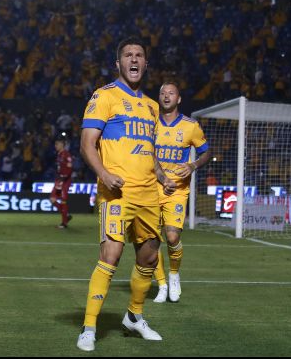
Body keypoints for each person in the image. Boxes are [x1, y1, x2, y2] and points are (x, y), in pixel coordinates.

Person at [76, 37, 176, 352]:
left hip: (149, 193)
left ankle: (134, 315)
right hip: (117, 193)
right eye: (128, 55)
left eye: (139, 55)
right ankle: (89, 327)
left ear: (146, 64)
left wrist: (161, 175)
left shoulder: (151, 105)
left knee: (148, 255)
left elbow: (148, 150)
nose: (134, 60)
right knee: (112, 255)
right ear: (118, 63)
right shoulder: (104, 96)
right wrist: (104, 174)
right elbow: (86, 143)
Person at [151, 81, 210, 304]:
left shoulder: (190, 126)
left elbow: (204, 152)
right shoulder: (151, 123)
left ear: (179, 99)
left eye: (171, 93)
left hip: (177, 190)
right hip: (152, 188)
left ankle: (174, 274)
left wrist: (193, 165)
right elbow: (147, 152)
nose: (166, 96)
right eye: (162, 93)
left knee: (172, 236)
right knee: (152, 240)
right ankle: (162, 285)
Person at [50, 136, 73, 229]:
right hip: (59, 180)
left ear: (62, 145)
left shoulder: (66, 154)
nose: (55, 146)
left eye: (57, 144)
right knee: (53, 199)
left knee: (63, 200)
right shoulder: (59, 154)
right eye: (55, 144)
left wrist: (64, 178)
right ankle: (66, 215)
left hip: (64, 181)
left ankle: (64, 223)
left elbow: (70, 167)